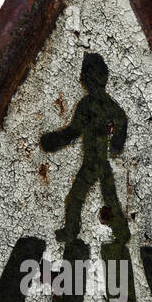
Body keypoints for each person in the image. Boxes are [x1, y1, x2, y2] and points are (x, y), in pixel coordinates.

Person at [40, 52, 130, 244]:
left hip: (93, 162)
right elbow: (121, 120)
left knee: (76, 198)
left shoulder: (89, 104)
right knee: (109, 198)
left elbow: (73, 131)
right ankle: (121, 232)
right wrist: (116, 143)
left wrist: (52, 141)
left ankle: (72, 231)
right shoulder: (107, 104)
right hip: (99, 161)